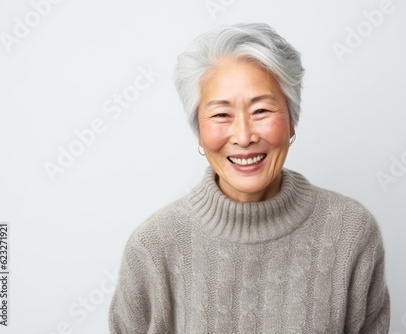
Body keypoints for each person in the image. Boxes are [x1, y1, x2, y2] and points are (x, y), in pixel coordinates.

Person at [109, 23, 390, 333]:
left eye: (261, 111)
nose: (243, 137)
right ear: (199, 132)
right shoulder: (154, 246)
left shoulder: (351, 232)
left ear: (292, 121)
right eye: (221, 115)